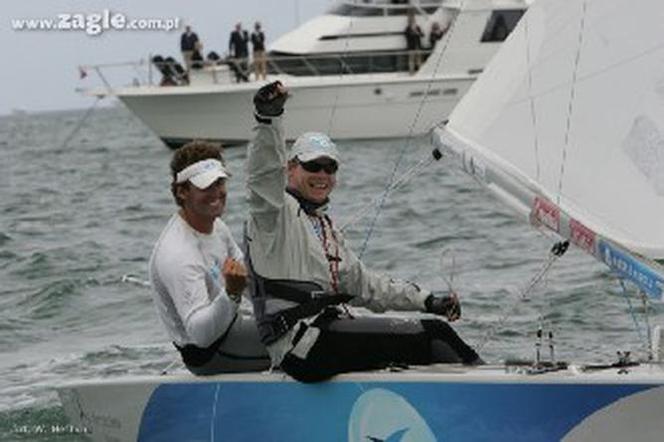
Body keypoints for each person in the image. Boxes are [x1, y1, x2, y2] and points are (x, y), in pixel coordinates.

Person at [245, 81, 482, 383]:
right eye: (313, 166)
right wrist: (269, 120)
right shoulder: (274, 216)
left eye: (330, 168)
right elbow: (262, 176)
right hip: (301, 347)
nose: (322, 175)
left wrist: (427, 301)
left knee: (423, 340)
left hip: (325, 336)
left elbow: (366, 286)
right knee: (435, 335)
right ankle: (490, 396)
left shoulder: (323, 227)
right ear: (290, 168)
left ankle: (470, 386)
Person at [149, 141, 270, 375]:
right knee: (307, 341)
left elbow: (251, 282)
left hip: (231, 327)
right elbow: (200, 335)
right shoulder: (178, 254)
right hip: (209, 354)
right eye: (206, 186)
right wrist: (232, 294)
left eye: (220, 182)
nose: (216, 192)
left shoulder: (216, 226)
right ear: (182, 192)